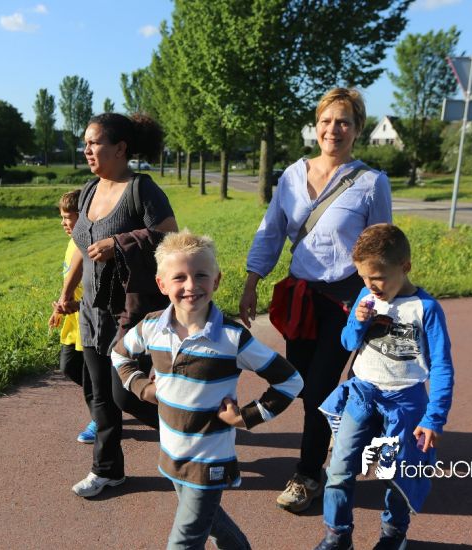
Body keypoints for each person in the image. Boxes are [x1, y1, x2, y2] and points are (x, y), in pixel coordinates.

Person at [238, 88, 393, 513]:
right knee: (302, 384)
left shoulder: (371, 182)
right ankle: (342, 438)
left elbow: (382, 247)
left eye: (343, 122)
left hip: (345, 302)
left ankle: (308, 474)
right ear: (316, 125)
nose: (333, 129)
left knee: (320, 390)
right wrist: (251, 282)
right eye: (326, 121)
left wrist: (381, 302)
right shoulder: (292, 176)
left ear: (357, 129)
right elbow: (271, 232)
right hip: (301, 298)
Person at [111, 231, 305, 549]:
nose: (191, 285)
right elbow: (120, 355)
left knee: (185, 540)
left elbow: (290, 381)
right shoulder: (151, 327)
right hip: (173, 453)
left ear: (216, 280)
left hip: (210, 461)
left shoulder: (232, 338)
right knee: (214, 524)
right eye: (179, 277)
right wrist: (144, 388)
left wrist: (246, 417)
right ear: (162, 284)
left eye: (201, 275)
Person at [58, 112, 178, 498]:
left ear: (120, 148)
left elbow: (171, 237)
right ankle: (107, 470)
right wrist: (67, 293)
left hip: (130, 312)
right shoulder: (90, 190)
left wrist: (119, 243)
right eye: (86, 143)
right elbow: (81, 247)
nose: (87, 149)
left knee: (124, 393)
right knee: (100, 396)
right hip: (92, 311)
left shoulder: (142, 189)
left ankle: (189, 427)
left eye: (94, 142)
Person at [314, 223, 454, 550]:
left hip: (406, 400)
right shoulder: (366, 297)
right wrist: (359, 321)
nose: (370, 286)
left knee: (400, 475)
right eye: (363, 277)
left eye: (377, 277)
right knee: (339, 469)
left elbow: (442, 366)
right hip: (362, 393)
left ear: (405, 267)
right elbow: (348, 342)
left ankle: (393, 535)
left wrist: (434, 418)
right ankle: (337, 536)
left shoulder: (427, 309)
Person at [48, 189, 96, 444]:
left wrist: (76, 305)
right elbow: (69, 280)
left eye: (68, 217)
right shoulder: (72, 243)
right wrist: (59, 306)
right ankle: (107, 402)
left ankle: (100, 417)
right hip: (73, 319)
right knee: (69, 366)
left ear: (84, 216)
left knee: (92, 375)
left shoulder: (91, 245)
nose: (63, 223)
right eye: (62, 217)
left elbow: (99, 290)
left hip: (90, 318)